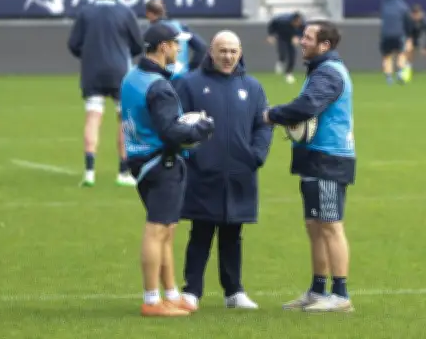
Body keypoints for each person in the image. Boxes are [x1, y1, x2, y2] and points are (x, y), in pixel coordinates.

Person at [120, 22, 215, 317]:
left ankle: (170, 293)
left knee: (167, 229)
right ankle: (152, 299)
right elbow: (171, 131)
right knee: (158, 229)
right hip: (161, 163)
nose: (178, 48)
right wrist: (202, 127)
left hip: (141, 160)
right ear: (163, 47)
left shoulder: (132, 76)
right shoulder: (158, 86)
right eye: (175, 44)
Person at [175, 31, 273, 311]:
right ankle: (192, 290)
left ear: (240, 52)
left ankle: (234, 292)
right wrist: (191, 155)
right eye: (222, 51)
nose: (228, 56)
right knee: (201, 232)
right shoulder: (190, 83)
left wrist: (256, 156)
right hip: (203, 172)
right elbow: (175, 123)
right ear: (211, 52)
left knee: (233, 233)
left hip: (240, 172)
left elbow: (263, 124)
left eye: (233, 51)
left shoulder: (252, 87)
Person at [263, 20, 356, 313]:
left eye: (308, 37)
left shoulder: (328, 73)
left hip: (329, 159)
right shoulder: (320, 70)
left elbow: (306, 106)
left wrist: (271, 115)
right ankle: (318, 290)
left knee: (330, 225)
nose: (301, 41)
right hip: (315, 157)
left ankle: (340, 295)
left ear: (324, 45)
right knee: (315, 226)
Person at [67, 0, 144, 187]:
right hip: (120, 71)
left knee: (93, 118)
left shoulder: (85, 12)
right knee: (124, 120)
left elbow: (73, 44)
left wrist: (88, 55)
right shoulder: (125, 12)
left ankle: (89, 172)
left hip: (92, 71)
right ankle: (123, 172)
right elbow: (138, 44)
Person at [145, 0, 208, 83]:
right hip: (183, 77)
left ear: (149, 14)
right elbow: (201, 47)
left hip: (161, 79)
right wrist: (190, 69)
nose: (179, 49)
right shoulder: (180, 26)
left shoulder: (152, 31)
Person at [378, 0, 413, 85]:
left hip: (386, 35)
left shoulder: (385, 5)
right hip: (398, 34)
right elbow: (407, 22)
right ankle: (400, 73)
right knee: (401, 54)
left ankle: (389, 78)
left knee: (387, 56)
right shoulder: (403, 6)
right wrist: (409, 36)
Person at [266, 11, 305, 84]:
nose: (298, 24)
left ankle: (289, 73)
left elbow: (304, 32)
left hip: (292, 38)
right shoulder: (281, 21)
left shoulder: (303, 24)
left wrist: (298, 37)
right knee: (282, 53)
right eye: (297, 22)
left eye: (299, 22)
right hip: (282, 37)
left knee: (292, 56)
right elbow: (272, 24)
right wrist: (271, 35)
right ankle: (281, 61)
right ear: (293, 20)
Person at [404, 4, 426, 70]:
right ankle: (404, 69)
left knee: (410, 56)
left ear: (421, 13)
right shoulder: (407, 20)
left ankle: (407, 68)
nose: (416, 16)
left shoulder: (424, 22)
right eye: (414, 14)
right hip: (404, 38)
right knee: (407, 50)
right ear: (411, 14)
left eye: (417, 14)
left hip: (415, 40)